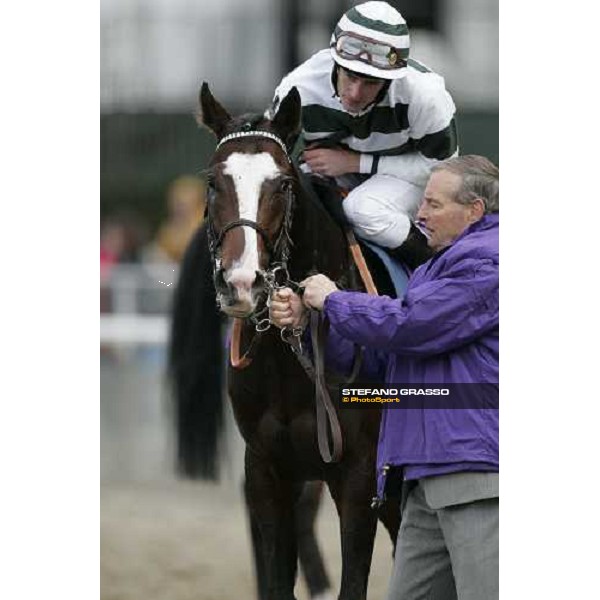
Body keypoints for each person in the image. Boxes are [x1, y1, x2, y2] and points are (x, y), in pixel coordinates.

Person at [270, 155, 499, 600]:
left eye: (433, 204)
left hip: (475, 473)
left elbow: (411, 326)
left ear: (474, 210)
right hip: (423, 477)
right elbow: (379, 363)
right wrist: (309, 325)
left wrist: (334, 301)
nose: (420, 214)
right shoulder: (437, 267)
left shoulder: (490, 261)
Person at [270, 1, 458, 269]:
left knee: (364, 209)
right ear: (335, 61)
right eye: (350, 76)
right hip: (334, 173)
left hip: (409, 179)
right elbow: (271, 161)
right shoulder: (296, 89)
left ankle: (440, 271)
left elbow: (444, 173)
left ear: (392, 77)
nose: (356, 93)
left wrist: (354, 162)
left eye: (371, 82)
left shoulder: (426, 96)